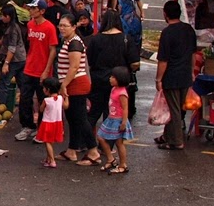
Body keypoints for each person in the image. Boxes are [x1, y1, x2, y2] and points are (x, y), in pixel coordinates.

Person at [54, 15, 100, 165]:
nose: (62, 28)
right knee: (73, 119)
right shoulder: (68, 41)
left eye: (65, 26)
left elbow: (74, 68)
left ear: (74, 27)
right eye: (60, 25)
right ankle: (72, 150)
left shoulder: (74, 43)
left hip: (76, 84)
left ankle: (93, 151)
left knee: (80, 119)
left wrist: (63, 85)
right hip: (70, 84)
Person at [86, 9, 140, 130]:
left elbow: (88, 62)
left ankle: (85, 143)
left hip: (98, 79)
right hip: (119, 81)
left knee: (93, 113)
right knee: (111, 113)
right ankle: (107, 145)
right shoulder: (126, 38)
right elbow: (135, 62)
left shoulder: (96, 39)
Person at [155, 0, 197, 151]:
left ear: (165, 14)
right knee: (178, 107)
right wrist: (192, 71)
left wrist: (159, 79)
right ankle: (167, 136)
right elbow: (193, 54)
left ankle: (176, 141)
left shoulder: (167, 33)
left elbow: (163, 60)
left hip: (171, 76)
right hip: (185, 75)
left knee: (173, 109)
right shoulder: (188, 30)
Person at [15, 0, 59, 142]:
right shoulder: (30, 25)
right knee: (25, 99)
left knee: (42, 101)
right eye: (31, 8)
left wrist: (46, 70)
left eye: (34, 9)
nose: (31, 11)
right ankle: (27, 126)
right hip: (29, 68)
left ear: (42, 11)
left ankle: (41, 128)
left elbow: (52, 50)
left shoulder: (50, 28)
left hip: (43, 71)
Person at [97, 66, 134, 174]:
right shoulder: (114, 89)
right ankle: (111, 159)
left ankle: (123, 165)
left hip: (118, 120)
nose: (110, 79)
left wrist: (123, 122)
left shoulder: (122, 93)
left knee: (119, 143)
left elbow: (125, 108)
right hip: (111, 118)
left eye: (113, 77)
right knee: (101, 137)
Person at [0, 4, 27, 112]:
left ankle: (0, 108)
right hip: (21, 59)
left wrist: (6, 63)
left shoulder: (13, 29)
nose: (2, 17)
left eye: (3, 15)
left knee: (3, 83)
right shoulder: (13, 26)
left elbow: (12, 48)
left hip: (15, 60)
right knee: (22, 85)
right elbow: (4, 42)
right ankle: (25, 108)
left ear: (8, 16)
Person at [36, 77, 64, 169]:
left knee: (47, 142)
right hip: (57, 122)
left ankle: (52, 160)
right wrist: (66, 97)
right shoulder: (60, 98)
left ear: (47, 90)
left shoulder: (46, 100)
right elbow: (66, 106)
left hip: (47, 123)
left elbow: (41, 109)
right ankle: (48, 158)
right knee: (50, 142)